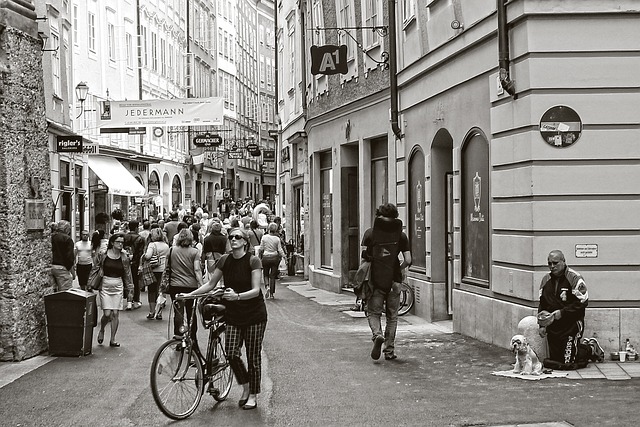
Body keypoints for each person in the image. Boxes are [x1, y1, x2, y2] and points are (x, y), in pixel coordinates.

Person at [180, 227, 266, 410]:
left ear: (245, 241)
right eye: (231, 237)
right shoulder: (225, 260)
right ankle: (245, 385)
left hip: (254, 314)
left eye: (238, 237)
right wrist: (189, 295)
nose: (233, 239)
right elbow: (211, 284)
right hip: (234, 313)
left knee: (253, 356)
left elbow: (256, 291)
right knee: (232, 353)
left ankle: (252, 394)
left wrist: (237, 297)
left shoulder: (253, 261)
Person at [361, 203, 411, 361]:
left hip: (376, 281)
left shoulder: (370, 233)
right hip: (394, 281)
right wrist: (398, 268)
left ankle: (377, 335)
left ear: (378, 216)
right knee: (392, 316)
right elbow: (408, 260)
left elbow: (364, 260)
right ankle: (389, 351)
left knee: (373, 312)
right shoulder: (401, 235)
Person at [537, 250, 604, 369]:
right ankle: (582, 347)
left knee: (567, 362)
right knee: (555, 361)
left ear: (563, 261)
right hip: (554, 327)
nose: (552, 266)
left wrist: (562, 313)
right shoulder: (545, 280)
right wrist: (542, 325)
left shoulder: (574, 278)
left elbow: (582, 302)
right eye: (549, 263)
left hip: (571, 325)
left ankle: (590, 348)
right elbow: (542, 304)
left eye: (555, 263)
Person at [91, 233, 133, 347]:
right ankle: (102, 329)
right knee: (107, 313)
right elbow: (95, 268)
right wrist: (91, 282)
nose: (120, 244)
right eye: (118, 242)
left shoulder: (124, 257)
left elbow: (128, 274)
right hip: (105, 284)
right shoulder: (103, 255)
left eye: (122, 242)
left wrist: (130, 289)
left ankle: (113, 339)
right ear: (112, 243)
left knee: (115, 313)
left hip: (118, 285)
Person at [161, 228, 204, 337]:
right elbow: (197, 270)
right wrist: (202, 285)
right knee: (191, 312)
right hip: (191, 286)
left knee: (178, 312)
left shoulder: (171, 250)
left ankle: (178, 336)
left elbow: (166, 268)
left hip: (175, 285)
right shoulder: (195, 252)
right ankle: (192, 337)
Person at [142, 228, 170, 320]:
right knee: (161, 291)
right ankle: (159, 312)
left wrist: (144, 256)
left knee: (152, 291)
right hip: (163, 269)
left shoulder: (152, 245)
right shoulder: (166, 245)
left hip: (153, 270)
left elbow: (148, 256)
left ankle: (152, 311)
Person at [259, 222, 285, 299]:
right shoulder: (277, 239)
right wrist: (285, 257)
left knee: (265, 273)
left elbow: (261, 248)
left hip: (266, 257)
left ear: (268, 229)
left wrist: (258, 254)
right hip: (275, 257)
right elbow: (280, 250)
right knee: (273, 276)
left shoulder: (264, 237)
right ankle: (271, 294)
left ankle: (267, 287)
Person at [123, 219, 145, 310]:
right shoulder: (140, 239)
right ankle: (136, 300)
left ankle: (128, 299)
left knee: (126, 281)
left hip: (125, 262)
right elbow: (140, 253)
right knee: (136, 281)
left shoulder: (124, 237)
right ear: (136, 228)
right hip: (136, 263)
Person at [51, 220, 75, 292]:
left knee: (53, 291)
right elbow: (69, 257)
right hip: (62, 267)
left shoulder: (52, 237)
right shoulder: (67, 239)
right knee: (66, 292)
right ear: (66, 229)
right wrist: (71, 270)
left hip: (51, 266)